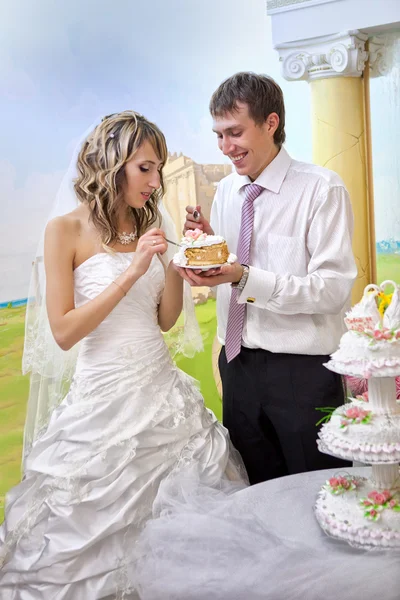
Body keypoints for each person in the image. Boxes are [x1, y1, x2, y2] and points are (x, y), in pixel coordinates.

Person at [0, 111, 246, 599]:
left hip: (164, 400)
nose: (155, 182)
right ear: (111, 165)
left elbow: (164, 320)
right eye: (145, 168)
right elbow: (65, 331)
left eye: (159, 169)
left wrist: (178, 260)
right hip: (101, 405)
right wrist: (131, 271)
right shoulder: (63, 231)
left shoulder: (153, 222)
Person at [182, 72, 357, 485]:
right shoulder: (227, 191)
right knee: (256, 498)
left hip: (304, 371)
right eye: (219, 135)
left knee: (320, 492)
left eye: (235, 132)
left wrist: (244, 276)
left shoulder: (322, 189)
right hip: (238, 366)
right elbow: (234, 258)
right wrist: (209, 243)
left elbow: (332, 289)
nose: (226, 148)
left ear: (271, 123)